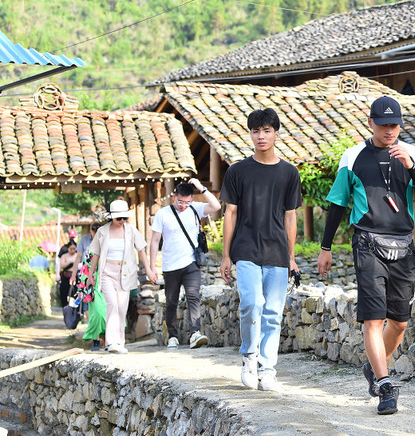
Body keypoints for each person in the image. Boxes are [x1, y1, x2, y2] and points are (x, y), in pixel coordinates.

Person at [317, 96, 415, 415]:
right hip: (368, 242)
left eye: (394, 124)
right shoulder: (353, 156)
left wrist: (411, 168)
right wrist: (325, 247)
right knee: (373, 318)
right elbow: (338, 204)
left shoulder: (411, 153)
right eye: (383, 125)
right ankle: (385, 385)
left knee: (398, 323)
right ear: (370, 123)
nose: (389, 130)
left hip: (403, 244)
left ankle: (375, 364)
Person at [219, 108, 302, 392]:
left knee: (273, 313)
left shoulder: (289, 173)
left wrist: (291, 258)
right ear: (250, 134)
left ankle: (268, 370)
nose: (261, 136)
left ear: (276, 134)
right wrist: (225, 255)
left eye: (267, 130)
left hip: (277, 252)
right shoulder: (237, 171)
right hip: (245, 250)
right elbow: (230, 213)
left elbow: (291, 217)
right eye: (256, 131)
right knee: (252, 303)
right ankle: (249, 358)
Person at [148, 179, 221, 349]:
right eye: (180, 201)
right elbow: (154, 241)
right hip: (170, 265)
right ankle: (173, 336)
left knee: (193, 296)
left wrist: (200, 187)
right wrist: (152, 267)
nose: (183, 206)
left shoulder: (195, 208)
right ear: (174, 197)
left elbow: (216, 206)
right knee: (171, 301)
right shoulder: (163, 214)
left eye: (187, 202)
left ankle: (195, 333)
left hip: (191, 262)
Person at [86, 200, 148, 354]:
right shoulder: (102, 231)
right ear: (112, 217)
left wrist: (149, 269)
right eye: (118, 218)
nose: (121, 221)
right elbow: (96, 253)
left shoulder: (131, 230)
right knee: (112, 304)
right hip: (107, 271)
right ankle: (111, 342)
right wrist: (91, 275)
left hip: (125, 273)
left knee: (121, 307)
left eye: (124, 218)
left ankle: (119, 342)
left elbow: (141, 249)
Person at [72, 222, 105, 351]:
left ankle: (107, 341)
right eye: (94, 230)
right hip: (93, 283)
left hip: (107, 281)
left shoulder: (108, 244)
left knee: (107, 313)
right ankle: (96, 340)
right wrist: (81, 287)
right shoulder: (89, 248)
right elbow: (84, 267)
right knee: (95, 313)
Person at [56, 240, 79, 307]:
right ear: (68, 248)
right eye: (71, 249)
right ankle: (65, 308)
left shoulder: (78, 256)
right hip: (66, 276)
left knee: (75, 292)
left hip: (75, 275)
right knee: (64, 293)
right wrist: (69, 262)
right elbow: (62, 265)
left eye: (74, 249)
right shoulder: (64, 256)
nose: (72, 250)